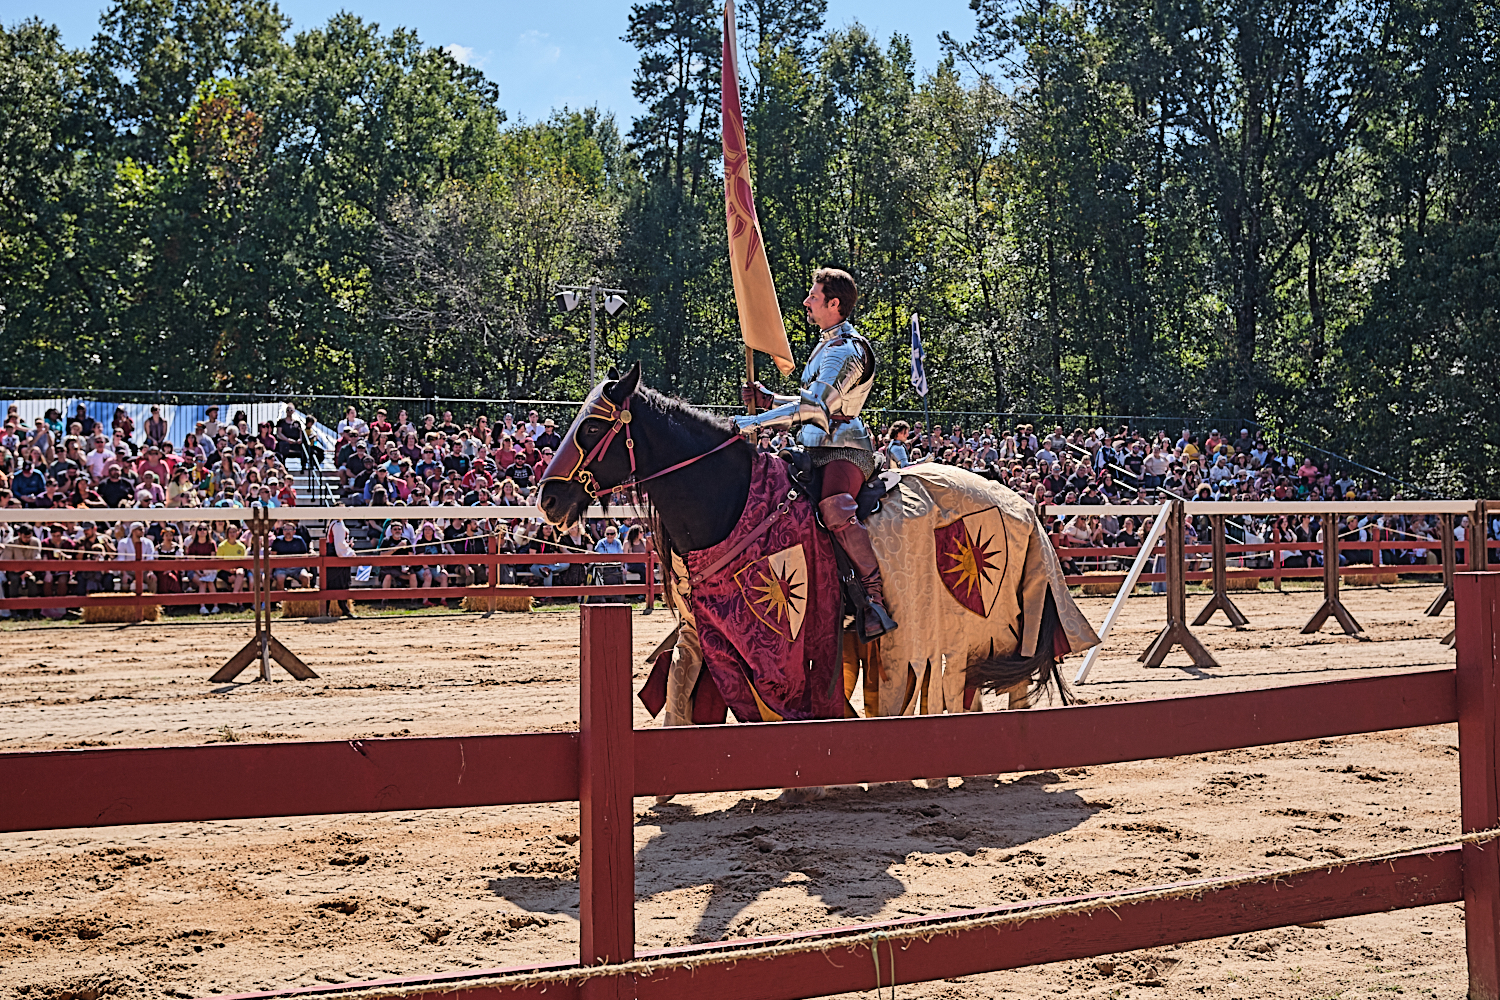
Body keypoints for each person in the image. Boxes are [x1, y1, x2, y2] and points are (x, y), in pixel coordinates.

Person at [736, 267, 896, 640]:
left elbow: (818, 409)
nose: (807, 301)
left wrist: (750, 422)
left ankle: (873, 598)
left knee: (834, 508)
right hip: (813, 446)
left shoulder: (846, 350)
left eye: (814, 296)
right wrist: (770, 401)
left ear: (834, 304)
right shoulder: (827, 346)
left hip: (845, 448)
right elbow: (809, 402)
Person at [324, 516, 357, 617]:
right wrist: (349, 552)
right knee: (338, 582)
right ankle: (341, 609)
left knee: (336, 583)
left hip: (335, 553)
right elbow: (339, 544)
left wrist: (348, 546)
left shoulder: (336, 524)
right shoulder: (337, 525)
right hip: (337, 555)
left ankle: (337, 609)